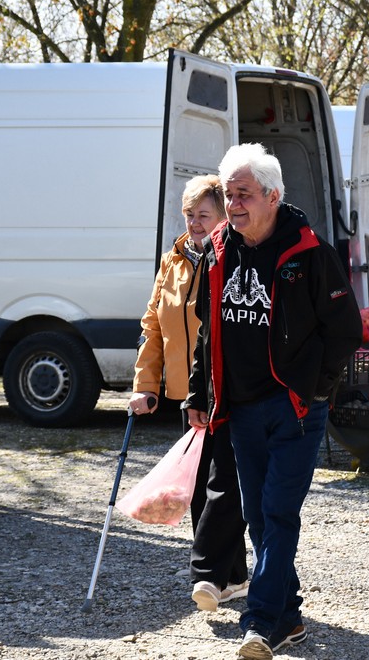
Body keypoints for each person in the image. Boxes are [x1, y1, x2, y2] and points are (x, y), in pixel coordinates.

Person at [184, 143, 362, 660]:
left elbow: (345, 329)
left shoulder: (309, 253)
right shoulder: (219, 249)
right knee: (260, 518)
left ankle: (260, 621)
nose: (233, 204)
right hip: (240, 408)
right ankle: (289, 614)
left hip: (295, 408)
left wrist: (313, 386)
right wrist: (201, 391)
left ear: (273, 196)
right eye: (228, 194)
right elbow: (205, 330)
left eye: (243, 194)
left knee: (279, 513)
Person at [128, 175, 249, 611]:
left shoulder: (231, 257)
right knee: (198, 488)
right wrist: (146, 384)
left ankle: (213, 576)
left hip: (227, 393)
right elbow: (153, 325)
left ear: (221, 215)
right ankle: (233, 577)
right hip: (187, 393)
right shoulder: (172, 261)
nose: (195, 223)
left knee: (224, 486)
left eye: (203, 215)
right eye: (189, 215)